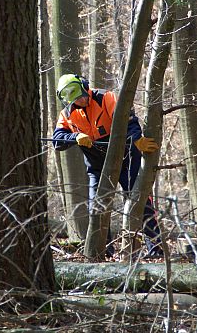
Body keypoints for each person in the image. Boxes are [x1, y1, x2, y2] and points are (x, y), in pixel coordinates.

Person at [52, 73, 164, 257]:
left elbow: (127, 119)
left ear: (85, 87)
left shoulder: (106, 98)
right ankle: (104, 253)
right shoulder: (67, 114)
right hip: (97, 167)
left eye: (81, 96)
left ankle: (156, 250)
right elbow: (57, 140)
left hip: (126, 159)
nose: (80, 101)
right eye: (75, 100)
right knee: (97, 208)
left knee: (140, 202)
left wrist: (137, 138)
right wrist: (75, 137)